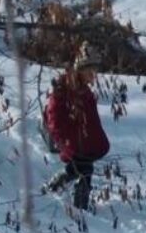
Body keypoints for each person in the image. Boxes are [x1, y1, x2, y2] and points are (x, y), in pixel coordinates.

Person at [42, 45, 109, 210]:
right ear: (80, 69)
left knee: (81, 169)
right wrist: (64, 139)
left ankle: (58, 187)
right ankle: (79, 206)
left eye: (95, 71)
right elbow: (54, 117)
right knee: (84, 170)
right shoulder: (64, 88)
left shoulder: (82, 89)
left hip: (84, 141)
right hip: (75, 142)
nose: (93, 76)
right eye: (90, 71)